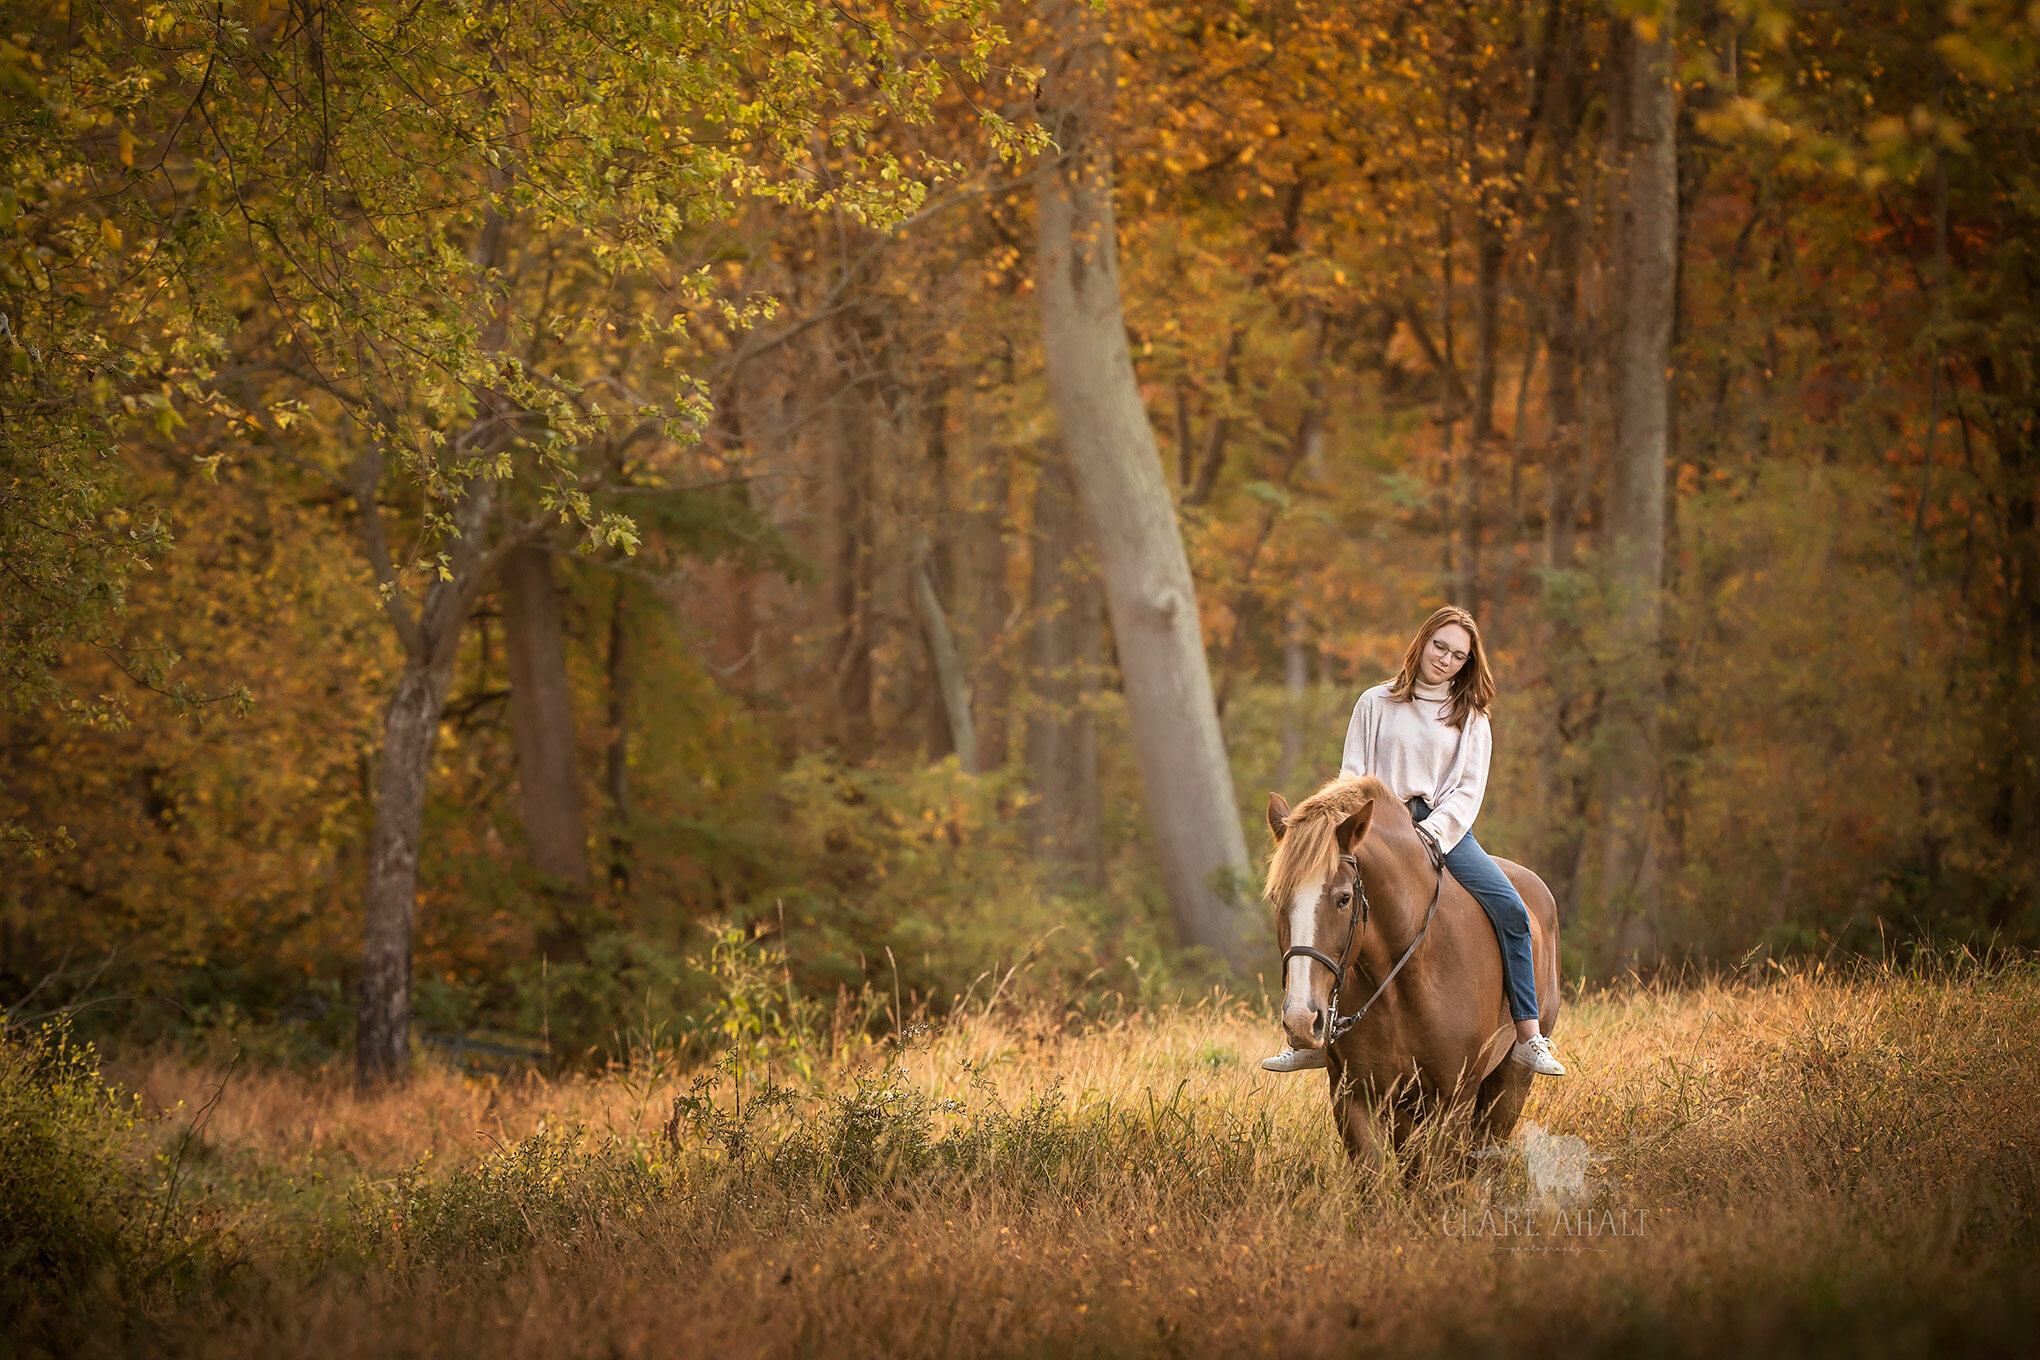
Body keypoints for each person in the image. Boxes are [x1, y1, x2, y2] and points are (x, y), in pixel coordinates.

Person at [1262, 604, 1566, 1077]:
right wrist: (1345, 828)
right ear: (1422, 643)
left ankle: (1528, 1035)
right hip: (1373, 826)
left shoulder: (1471, 718)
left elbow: (1467, 793)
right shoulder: (1374, 702)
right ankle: (1311, 1036)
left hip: (1442, 828)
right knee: (1317, 904)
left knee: (1510, 909)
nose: (1445, 660)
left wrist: (1431, 834)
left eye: (1458, 655)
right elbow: (1350, 775)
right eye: (1439, 646)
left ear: (1468, 662)